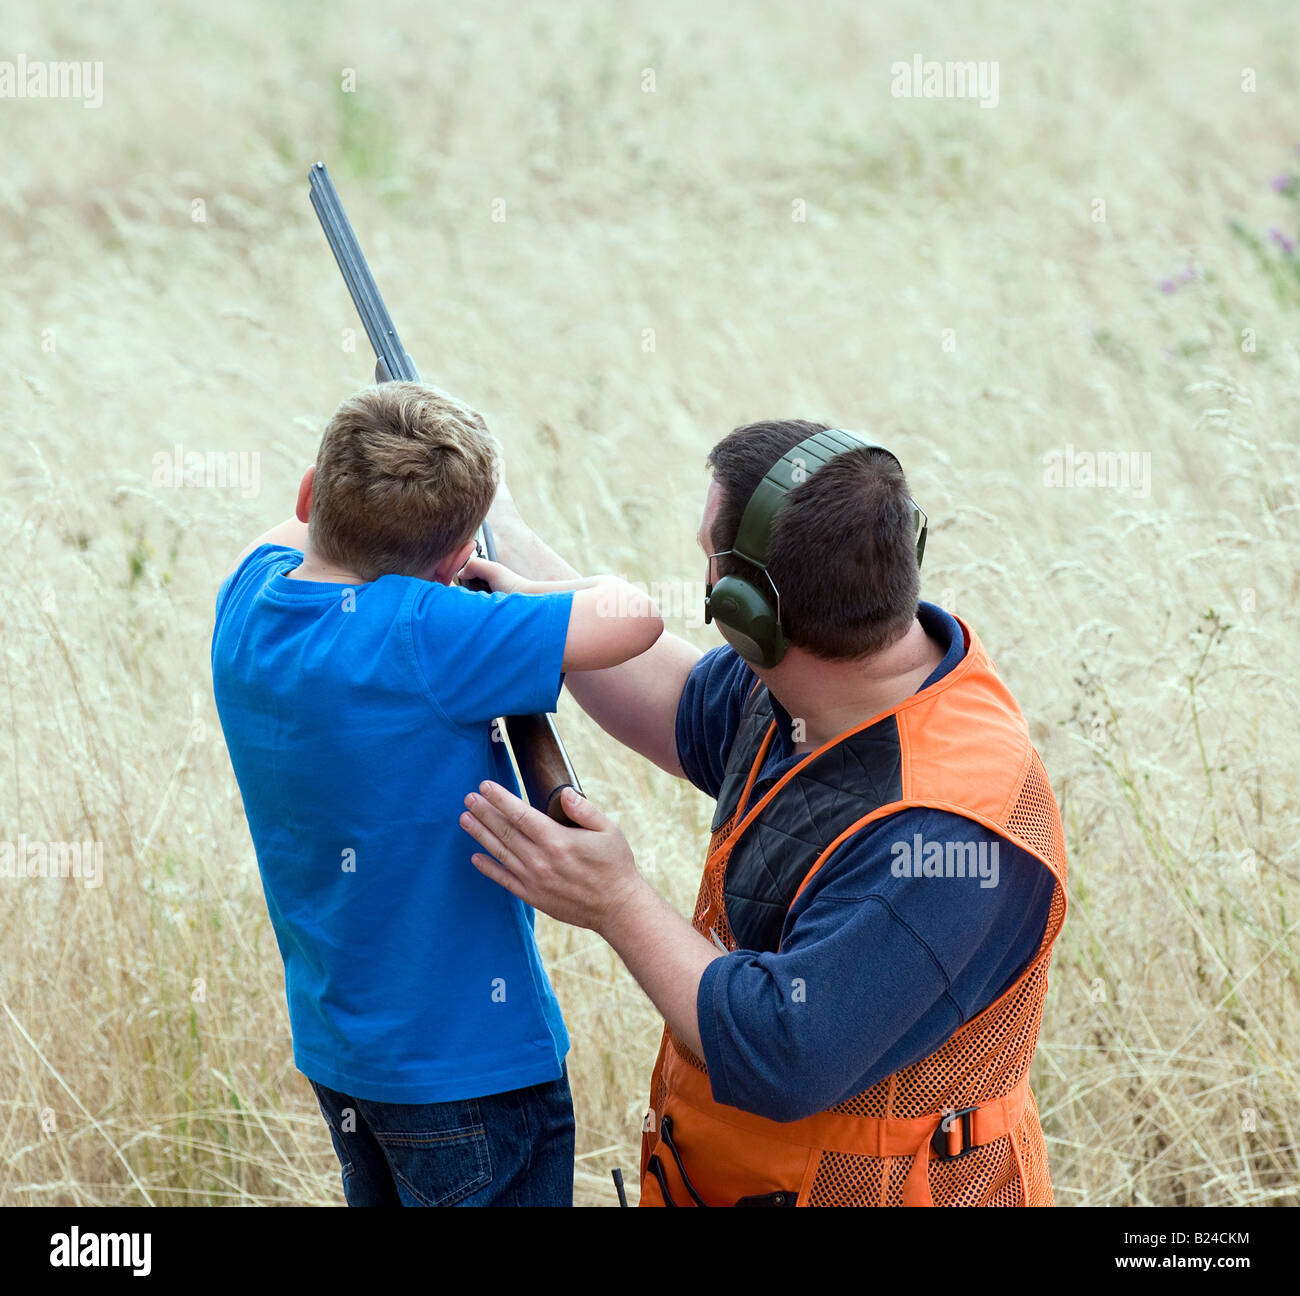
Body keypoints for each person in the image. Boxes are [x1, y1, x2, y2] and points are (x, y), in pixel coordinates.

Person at [460, 418, 1068, 1207]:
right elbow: (673, 699)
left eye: (710, 564)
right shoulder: (820, 686)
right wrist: (500, 526)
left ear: (749, 611)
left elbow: (786, 1052)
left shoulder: (949, 833)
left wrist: (615, 901)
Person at [210, 382, 662, 1206]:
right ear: (452, 563)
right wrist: (507, 584)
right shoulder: (426, 631)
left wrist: (405, 501)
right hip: (471, 1067)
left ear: (311, 495)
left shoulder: (249, 596)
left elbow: (304, 528)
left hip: (346, 1054)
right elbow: (637, 616)